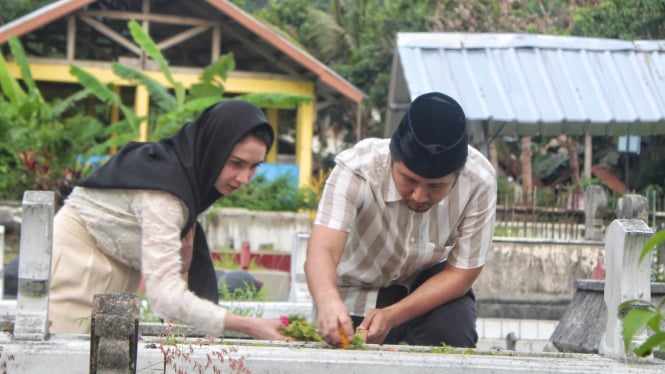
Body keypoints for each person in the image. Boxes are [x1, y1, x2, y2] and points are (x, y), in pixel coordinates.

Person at [49, 100, 292, 341]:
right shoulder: (165, 191)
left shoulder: (196, 181)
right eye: (236, 163)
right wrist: (247, 325)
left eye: (254, 167)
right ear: (212, 150)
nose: (243, 178)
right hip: (77, 268)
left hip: (120, 282)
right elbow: (164, 296)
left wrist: (182, 264)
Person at [304, 91, 497, 348]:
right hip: (353, 289)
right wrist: (328, 301)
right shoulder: (357, 169)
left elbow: (461, 273)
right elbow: (322, 250)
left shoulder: (479, 181)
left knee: (452, 331)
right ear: (392, 158)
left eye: (436, 186)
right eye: (409, 180)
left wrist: (393, 314)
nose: (419, 196)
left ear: (458, 175)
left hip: (425, 291)